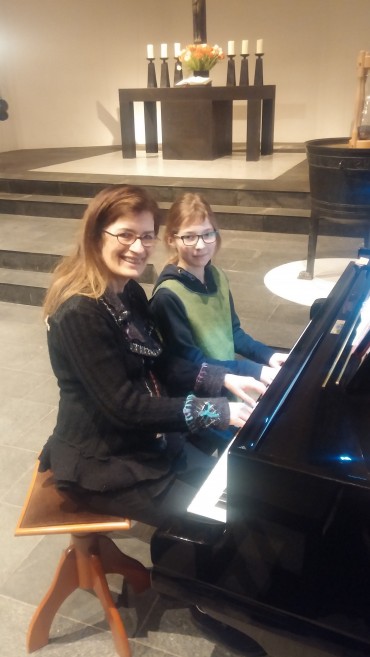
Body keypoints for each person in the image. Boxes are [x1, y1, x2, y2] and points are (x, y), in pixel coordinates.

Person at [38, 184, 266, 528]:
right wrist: (217, 410)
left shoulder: (127, 289)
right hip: (104, 460)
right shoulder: (80, 313)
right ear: (96, 235)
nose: (138, 248)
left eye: (146, 236)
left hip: (145, 441)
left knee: (243, 490)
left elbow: (160, 362)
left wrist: (226, 379)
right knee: (221, 520)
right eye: (126, 235)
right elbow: (126, 407)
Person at [150, 192, 288, 387]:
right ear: (171, 239)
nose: (200, 245)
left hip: (230, 380)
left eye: (207, 234)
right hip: (201, 395)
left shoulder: (217, 275)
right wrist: (253, 370)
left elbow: (233, 332)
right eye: (189, 236)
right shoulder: (168, 296)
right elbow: (192, 363)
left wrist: (268, 355)